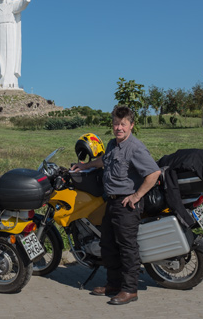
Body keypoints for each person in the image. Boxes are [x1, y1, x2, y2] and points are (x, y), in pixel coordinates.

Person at [71, 106, 161, 305]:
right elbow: (104, 160)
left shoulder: (135, 148)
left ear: (131, 125)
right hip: (111, 201)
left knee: (127, 247)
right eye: (116, 124)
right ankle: (113, 284)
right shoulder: (113, 144)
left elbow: (154, 173)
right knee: (108, 245)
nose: (119, 128)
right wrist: (85, 166)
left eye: (123, 124)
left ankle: (129, 290)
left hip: (126, 205)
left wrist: (136, 196)